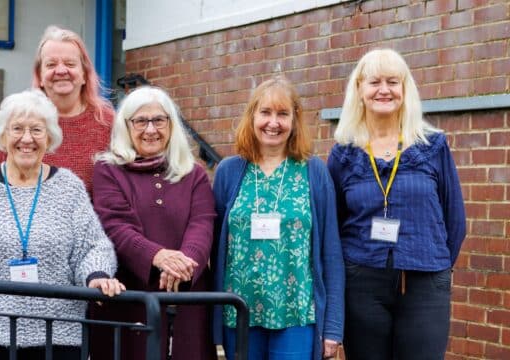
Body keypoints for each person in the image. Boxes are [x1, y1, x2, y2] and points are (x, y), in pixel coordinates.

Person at [0, 89, 124, 360]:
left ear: (49, 137)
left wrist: (96, 276)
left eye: (36, 129)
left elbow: (94, 247)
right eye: (17, 129)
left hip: (58, 335)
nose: (27, 139)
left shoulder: (68, 187)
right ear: (3, 135)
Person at [327, 48, 466, 360]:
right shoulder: (343, 155)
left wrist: (433, 264)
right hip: (362, 284)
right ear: (359, 90)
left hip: (425, 283)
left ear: (405, 90)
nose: (384, 90)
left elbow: (455, 221)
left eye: (393, 81)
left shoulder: (433, 147)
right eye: (374, 82)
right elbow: (332, 224)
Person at [212, 76, 344, 360]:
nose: (273, 122)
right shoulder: (229, 172)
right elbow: (214, 250)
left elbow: (331, 254)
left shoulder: (314, 172)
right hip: (239, 313)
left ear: (295, 120)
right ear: (252, 117)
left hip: (296, 313)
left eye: (283, 114)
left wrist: (333, 327)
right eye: (266, 113)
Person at [90, 86, 217, 360]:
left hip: (186, 298)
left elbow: (203, 223)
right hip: (130, 299)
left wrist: (184, 264)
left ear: (171, 125)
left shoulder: (192, 172)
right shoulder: (108, 169)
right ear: (126, 126)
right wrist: (157, 256)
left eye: (159, 120)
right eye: (140, 121)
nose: (150, 129)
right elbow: (115, 225)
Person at [0, 25, 114, 191]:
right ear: (40, 76)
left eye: (70, 63)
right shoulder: (17, 122)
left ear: (84, 74)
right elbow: (5, 188)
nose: (61, 70)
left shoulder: (108, 122)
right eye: (51, 65)